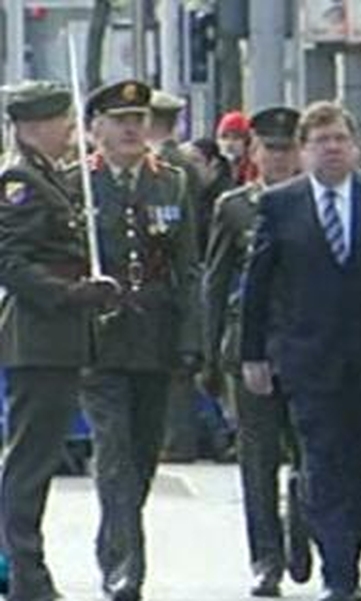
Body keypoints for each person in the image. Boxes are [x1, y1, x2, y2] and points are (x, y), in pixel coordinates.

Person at [240, 100, 361, 601]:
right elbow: (256, 285)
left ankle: (340, 546)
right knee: (322, 457)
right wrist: (252, 354)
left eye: (340, 140)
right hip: (306, 356)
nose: (331, 149)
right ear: (304, 151)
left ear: (356, 147)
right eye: (320, 141)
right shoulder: (281, 204)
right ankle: (340, 574)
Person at [65, 80, 200, 601]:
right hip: (98, 340)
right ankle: (126, 568)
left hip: (155, 336)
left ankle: (114, 540)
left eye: (138, 119)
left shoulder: (172, 183)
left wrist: (191, 337)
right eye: (119, 120)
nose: (130, 129)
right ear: (95, 128)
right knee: (115, 450)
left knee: (143, 454)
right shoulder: (76, 183)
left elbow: (188, 268)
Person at [0, 81, 119, 601]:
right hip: (39, 337)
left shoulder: (52, 176)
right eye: (59, 120)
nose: (70, 129)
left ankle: (24, 568)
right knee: (29, 462)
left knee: (38, 458)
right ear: (32, 126)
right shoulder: (19, 180)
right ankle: (24, 572)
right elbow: (12, 263)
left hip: (60, 338)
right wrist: (71, 295)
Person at [202, 106, 311, 597]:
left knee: (312, 454)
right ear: (253, 153)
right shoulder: (235, 206)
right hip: (251, 350)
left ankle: (303, 528)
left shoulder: (318, 202)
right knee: (258, 457)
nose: (279, 159)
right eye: (270, 149)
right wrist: (208, 353)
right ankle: (265, 557)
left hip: (309, 349)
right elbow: (216, 280)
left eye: (287, 149)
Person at [148, 89, 206, 464]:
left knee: (175, 374)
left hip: (168, 276)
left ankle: (176, 441)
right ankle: (176, 438)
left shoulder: (171, 170)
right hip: (176, 274)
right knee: (177, 372)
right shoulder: (186, 164)